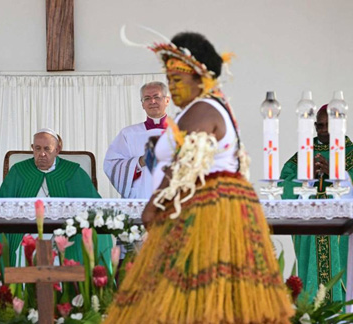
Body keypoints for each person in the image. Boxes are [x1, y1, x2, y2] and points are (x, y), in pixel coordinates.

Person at [106, 32, 293, 323]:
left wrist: (153, 206)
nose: (172, 87)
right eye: (169, 79)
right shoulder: (203, 107)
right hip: (205, 208)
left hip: (206, 214)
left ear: (200, 78)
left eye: (177, 80)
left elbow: (185, 166)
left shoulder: (202, 109)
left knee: (195, 297)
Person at [0, 128, 110, 270]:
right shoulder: (19, 171)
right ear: (32, 148)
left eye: (47, 149)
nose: (42, 154)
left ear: (57, 150)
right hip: (24, 234)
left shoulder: (73, 172)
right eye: (37, 148)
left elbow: (95, 206)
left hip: (64, 235)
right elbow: (2, 205)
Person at [279, 104, 351, 302]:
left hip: (341, 234)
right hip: (311, 231)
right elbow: (284, 184)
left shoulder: (350, 152)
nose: (323, 130)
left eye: (328, 125)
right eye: (319, 126)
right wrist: (306, 176)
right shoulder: (304, 153)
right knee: (311, 286)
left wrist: (338, 175)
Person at [104, 81, 169, 198]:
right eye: (147, 98)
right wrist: (140, 162)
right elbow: (112, 165)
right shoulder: (129, 134)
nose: (152, 101)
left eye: (156, 97)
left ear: (167, 100)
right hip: (141, 196)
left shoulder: (182, 131)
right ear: (142, 104)